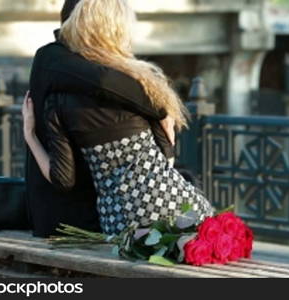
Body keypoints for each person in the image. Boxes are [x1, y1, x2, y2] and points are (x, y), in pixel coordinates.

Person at [23, 0, 214, 235]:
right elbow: (108, 83)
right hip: (77, 219)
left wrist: (29, 134)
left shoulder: (62, 90)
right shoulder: (54, 59)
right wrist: (161, 108)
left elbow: (63, 176)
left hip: (107, 218)